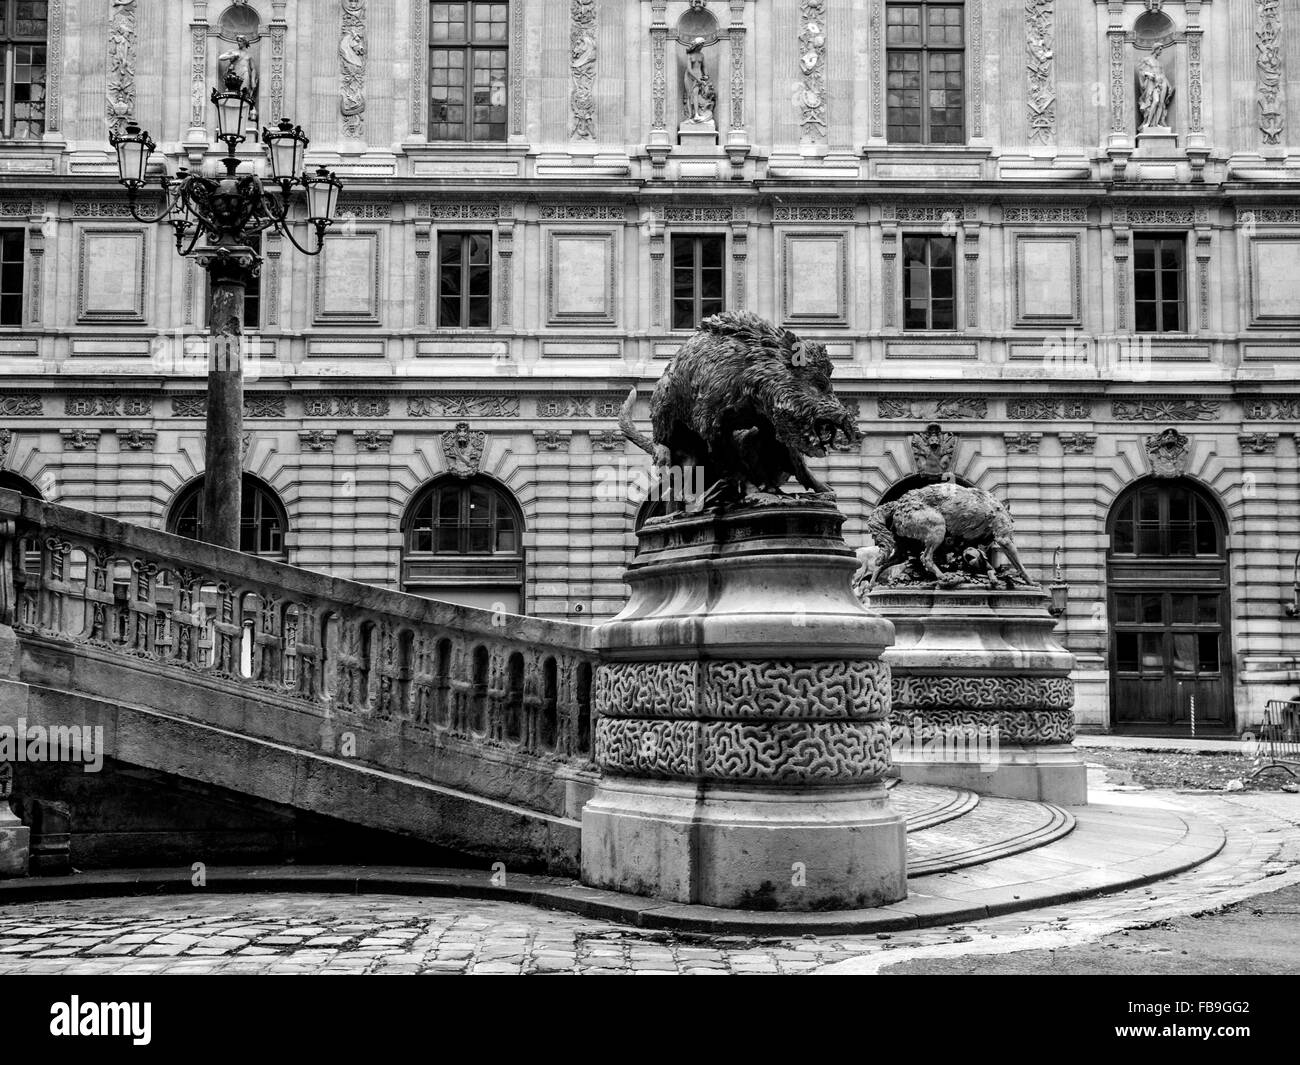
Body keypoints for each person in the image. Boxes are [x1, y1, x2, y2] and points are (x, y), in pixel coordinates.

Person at [1137, 46, 1173, 130]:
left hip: (1162, 81)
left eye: (1161, 49)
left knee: (1161, 103)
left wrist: (1169, 85)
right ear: (1155, 49)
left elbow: (1163, 74)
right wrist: (1148, 74)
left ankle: (1156, 123)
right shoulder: (1147, 59)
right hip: (1153, 82)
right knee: (1155, 101)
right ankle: (1148, 123)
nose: (1161, 51)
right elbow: (1140, 71)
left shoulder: (1160, 63)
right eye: (1160, 49)